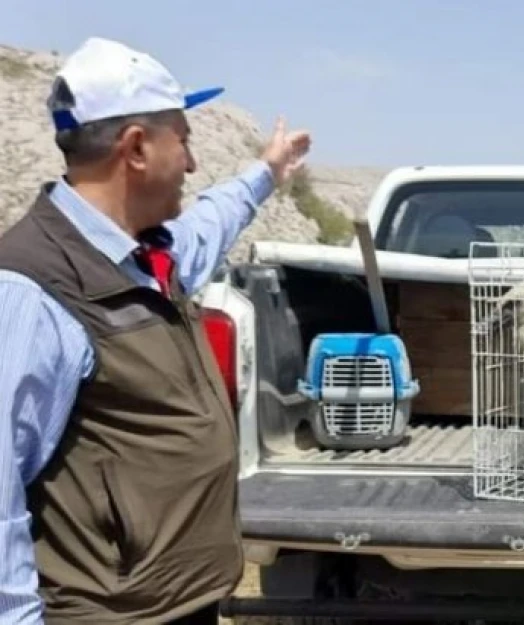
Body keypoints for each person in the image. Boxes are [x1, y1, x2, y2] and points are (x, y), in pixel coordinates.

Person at [0, 37, 310, 624]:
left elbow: (210, 222)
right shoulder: (32, 289)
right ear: (137, 148)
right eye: (184, 141)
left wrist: (267, 173)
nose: (191, 164)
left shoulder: (144, 254)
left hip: (172, 606)